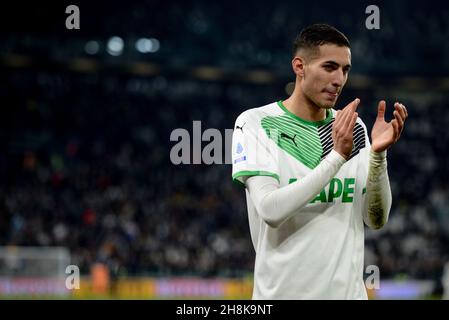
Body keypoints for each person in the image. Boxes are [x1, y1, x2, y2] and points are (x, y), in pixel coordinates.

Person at [231, 24, 408, 299]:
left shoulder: (353, 128)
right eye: (329, 67)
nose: (339, 79)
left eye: (345, 69)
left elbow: (375, 219)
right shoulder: (255, 123)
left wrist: (378, 157)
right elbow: (271, 210)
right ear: (299, 66)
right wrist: (336, 157)